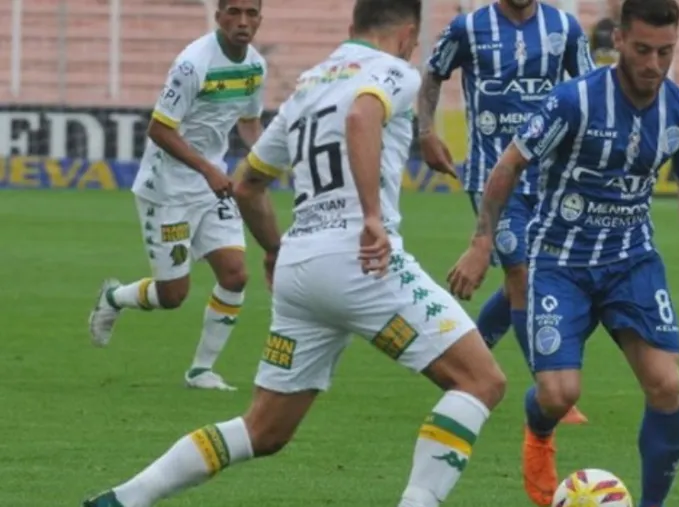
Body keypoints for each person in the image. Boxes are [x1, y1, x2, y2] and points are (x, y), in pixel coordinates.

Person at [82, 0, 507, 506]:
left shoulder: (309, 84)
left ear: (352, 25)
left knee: (263, 430)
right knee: (481, 381)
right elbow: (362, 115)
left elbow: (248, 186)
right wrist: (371, 216)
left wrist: (273, 251)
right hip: (363, 263)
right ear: (408, 34)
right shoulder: (395, 71)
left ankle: (122, 498)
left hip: (300, 269)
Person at [447, 0, 679, 506]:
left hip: (631, 261)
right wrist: (482, 241)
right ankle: (539, 428)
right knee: (559, 394)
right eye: (643, 50)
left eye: (665, 52)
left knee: (666, 385)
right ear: (619, 40)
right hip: (559, 262)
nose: (654, 64)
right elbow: (508, 166)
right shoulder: (573, 101)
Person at [418, 0, 595, 425]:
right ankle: (551, 389)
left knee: (531, 276)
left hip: (549, 179)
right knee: (522, 276)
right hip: (491, 177)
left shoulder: (565, 29)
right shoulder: (468, 28)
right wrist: (425, 132)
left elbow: (590, 92)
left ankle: (467, 357)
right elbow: (432, 74)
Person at [87, 0, 267, 391]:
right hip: (167, 188)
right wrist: (207, 169)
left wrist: (266, 158)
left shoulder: (255, 66)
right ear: (218, 16)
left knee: (235, 275)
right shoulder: (193, 64)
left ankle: (201, 371)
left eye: (251, 13)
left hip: (212, 186)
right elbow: (159, 129)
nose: (242, 21)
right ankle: (115, 297)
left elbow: (249, 121)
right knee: (172, 295)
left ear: (260, 18)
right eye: (234, 12)